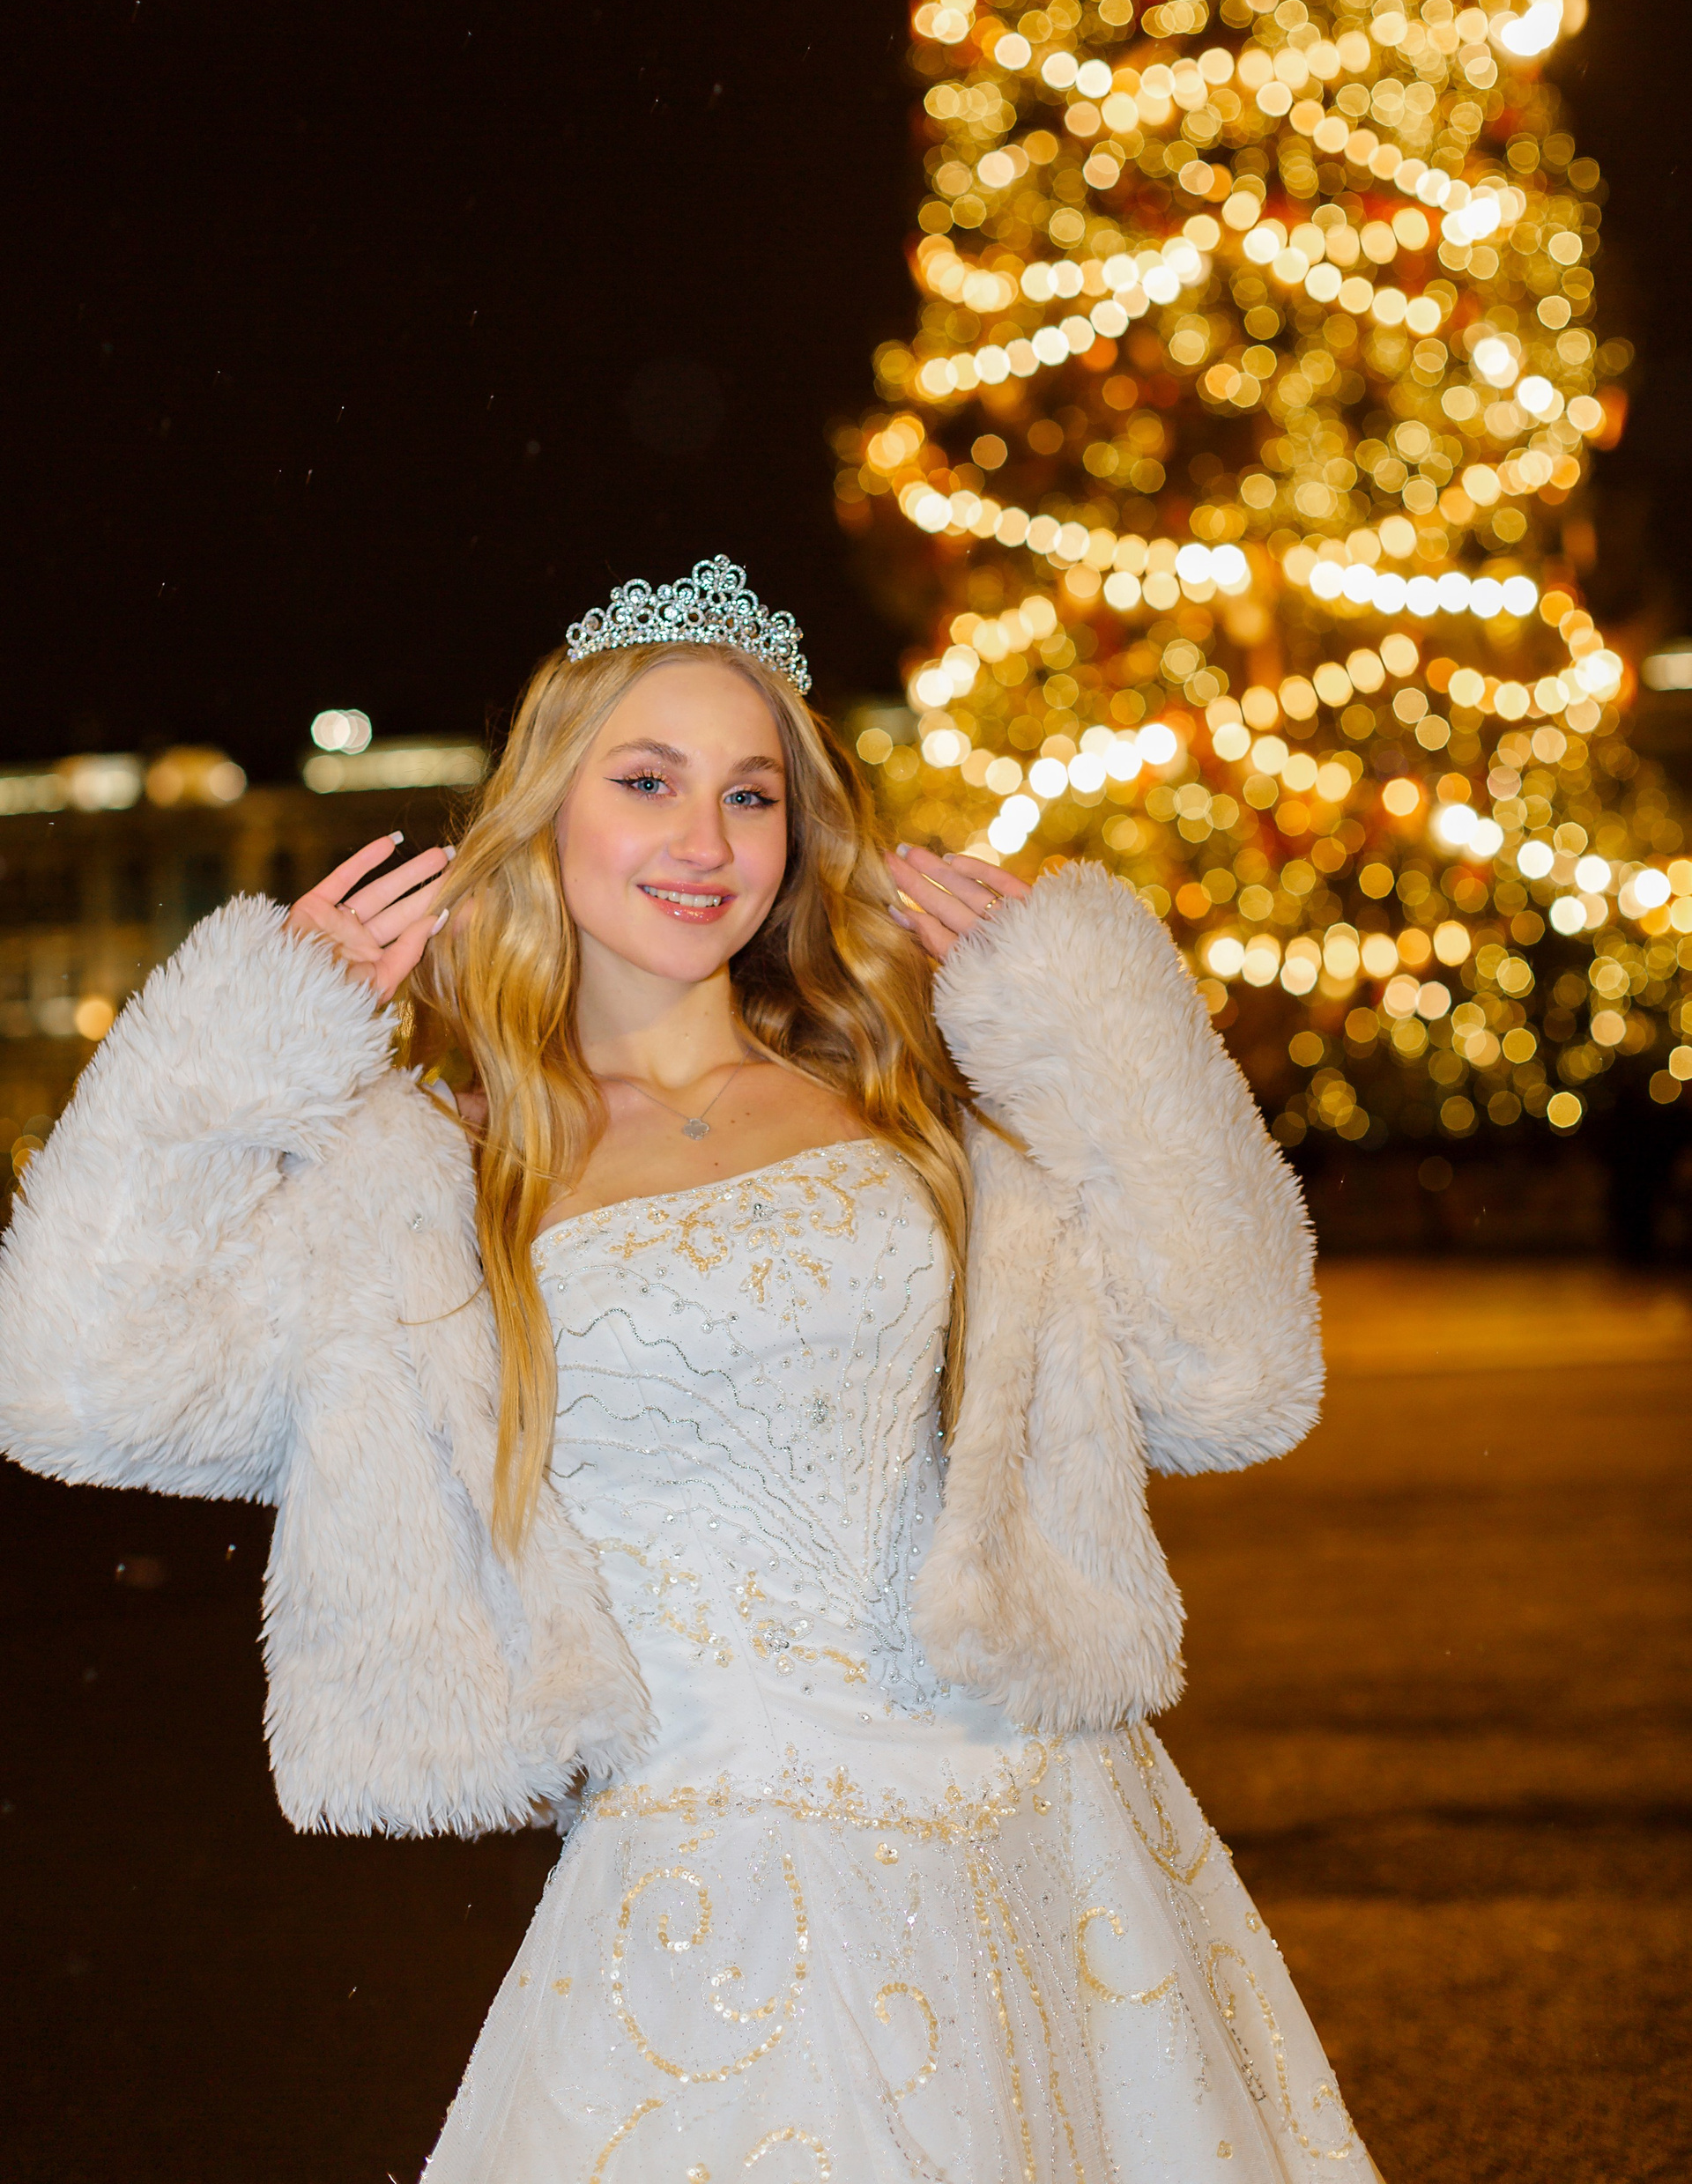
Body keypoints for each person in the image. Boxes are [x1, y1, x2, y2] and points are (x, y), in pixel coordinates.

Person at [0, 558, 1381, 2180]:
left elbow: (1236, 1377)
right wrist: (243, 1044)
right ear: (546, 812)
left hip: (1054, 1827)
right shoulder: (435, 1174)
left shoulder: (918, 1101)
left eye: (752, 794)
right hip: (710, 1882)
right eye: (647, 782)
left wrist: (1099, 1025)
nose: (708, 841)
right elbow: (71, 1385)